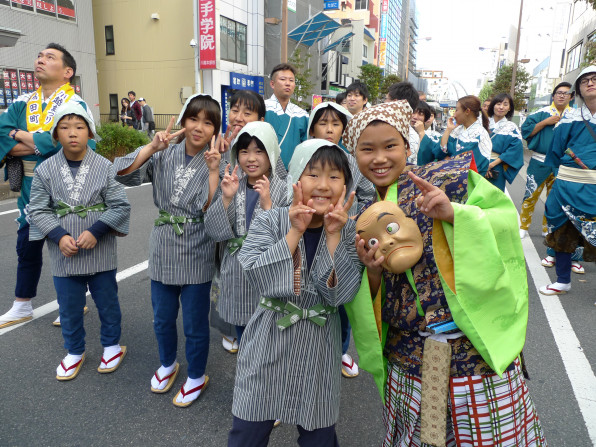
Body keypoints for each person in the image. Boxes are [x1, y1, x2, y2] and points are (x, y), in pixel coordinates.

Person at [342, 101, 546, 446]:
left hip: (473, 353)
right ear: (355, 155)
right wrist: (372, 273)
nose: (379, 158)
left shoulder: (449, 179)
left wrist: (456, 214)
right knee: (426, 439)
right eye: (367, 149)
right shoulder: (358, 217)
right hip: (410, 358)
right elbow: (364, 297)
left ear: (408, 146)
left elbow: (502, 219)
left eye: (390, 146)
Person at [228, 139, 361, 446]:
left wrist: (332, 236)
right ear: (297, 177)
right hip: (268, 337)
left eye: (334, 177)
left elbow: (340, 297)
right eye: (313, 174)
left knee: (319, 435)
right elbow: (255, 273)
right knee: (247, 432)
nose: (323, 185)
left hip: (319, 344)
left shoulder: (348, 230)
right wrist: (295, 231)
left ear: (346, 185)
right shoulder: (272, 218)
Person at [113, 94, 222, 407]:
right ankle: (167, 363)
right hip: (162, 246)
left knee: (194, 323)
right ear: (184, 120)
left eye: (208, 122)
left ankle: (197, 374)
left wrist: (214, 171)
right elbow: (123, 174)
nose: (199, 127)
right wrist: (151, 147)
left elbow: (211, 210)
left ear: (215, 130)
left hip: (197, 248)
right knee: (161, 318)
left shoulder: (217, 161)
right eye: (193, 118)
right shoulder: (164, 154)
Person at [28, 102, 130, 380]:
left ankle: (111, 346)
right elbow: (37, 209)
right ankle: (74, 350)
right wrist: (59, 236)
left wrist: (96, 231)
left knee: (108, 302)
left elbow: (119, 206)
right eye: (65, 127)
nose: (72, 133)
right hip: (63, 253)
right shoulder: (45, 169)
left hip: (101, 251)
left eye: (79, 127)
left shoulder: (105, 167)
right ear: (55, 136)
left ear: (90, 132)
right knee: (69, 306)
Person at [0, 43, 95, 329]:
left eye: (49, 57)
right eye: (40, 56)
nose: (40, 60)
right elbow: (4, 136)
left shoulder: (75, 105)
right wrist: (36, 140)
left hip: (66, 185)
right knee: (27, 247)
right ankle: (22, 304)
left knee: (67, 247)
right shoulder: (21, 102)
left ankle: (73, 301)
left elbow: (71, 143)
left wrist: (24, 138)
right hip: (30, 186)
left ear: (68, 72)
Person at [307, 101, 375, 379]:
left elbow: (369, 192)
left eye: (336, 124)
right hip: (310, 232)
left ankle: (341, 348)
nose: (329, 129)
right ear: (312, 129)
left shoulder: (352, 161)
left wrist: (355, 217)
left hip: (344, 232)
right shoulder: (304, 156)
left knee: (343, 295)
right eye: (323, 123)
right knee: (309, 291)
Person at [205, 122, 288, 348]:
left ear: (271, 151)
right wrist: (226, 198)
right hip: (237, 272)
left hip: (268, 274)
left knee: (270, 338)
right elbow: (212, 229)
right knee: (244, 335)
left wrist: (268, 204)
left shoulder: (285, 187)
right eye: (244, 151)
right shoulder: (232, 183)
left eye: (259, 151)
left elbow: (291, 236)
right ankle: (248, 377)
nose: (251, 158)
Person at [213, 89, 268, 355]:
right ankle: (231, 330)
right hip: (228, 240)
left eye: (248, 112)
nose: (239, 116)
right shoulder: (219, 146)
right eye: (235, 110)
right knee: (226, 287)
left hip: (260, 254)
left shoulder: (267, 156)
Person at [539, 66, 596, 297]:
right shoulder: (569, 117)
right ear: (579, 90)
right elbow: (556, 152)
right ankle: (562, 281)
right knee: (561, 233)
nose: (590, 83)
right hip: (566, 185)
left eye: (595, 79)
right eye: (585, 81)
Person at [520, 82, 574, 239]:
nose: (562, 95)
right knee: (530, 195)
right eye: (559, 92)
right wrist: (545, 122)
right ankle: (523, 225)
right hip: (539, 160)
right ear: (553, 95)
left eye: (566, 93)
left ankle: (547, 227)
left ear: (571, 97)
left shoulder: (575, 116)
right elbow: (526, 131)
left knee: (554, 200)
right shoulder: (541, 113)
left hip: (563, 163)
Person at [418, 95, 492, 176]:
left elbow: (479, 166)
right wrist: (448, 130)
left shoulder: (481, 135)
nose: (454, 115)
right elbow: (439, 152)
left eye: (456, 110)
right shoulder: (456, 130)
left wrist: (449, 160)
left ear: (467, 111)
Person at [265, 63, 309, 168]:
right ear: (272, 84)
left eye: (291, 80)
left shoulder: (302, 114)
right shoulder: (262, 107)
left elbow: (306, 146)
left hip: (292, 172)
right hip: (264, 170)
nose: (287, 83)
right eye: (283, 79)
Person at [485, 93, 524, 191]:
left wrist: (491, 165)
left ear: (510, 108)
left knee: (494, 197)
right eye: (498, 104)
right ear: (493, 105)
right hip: (479, 164)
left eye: (505, 104)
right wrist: (483, 165)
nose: (501, 107)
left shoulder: (511, 128)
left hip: (496, 167)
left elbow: (514, 150)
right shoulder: (482, 123)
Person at [385, 82, 421, 164]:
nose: (383, 102)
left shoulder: (385, 130)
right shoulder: (413, 135)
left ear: (394, 103)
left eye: (386, 99)